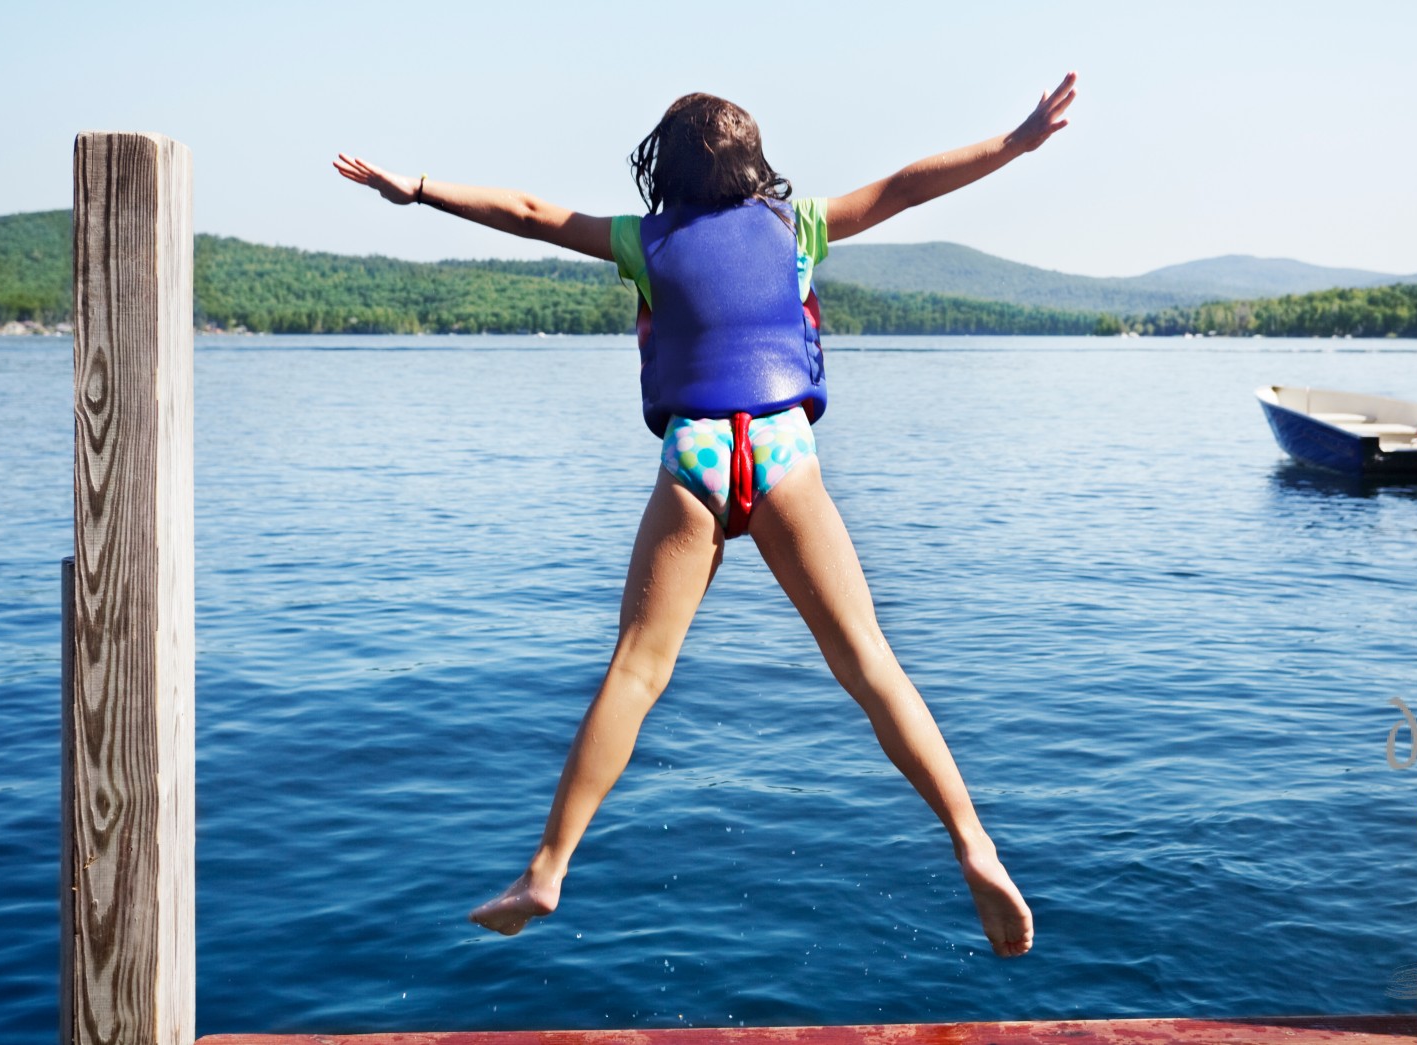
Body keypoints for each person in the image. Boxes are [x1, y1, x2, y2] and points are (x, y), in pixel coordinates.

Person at [332, 72, 1076, 957]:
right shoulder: (799, 227)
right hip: (783, 453)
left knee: (637, 673)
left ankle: (547, 867)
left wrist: (416, 189)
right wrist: (1017, 142)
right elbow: (912, 184)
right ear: (755, 165)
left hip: (696, 459)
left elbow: (528, 211)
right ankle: (973, 843)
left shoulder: (643, 241)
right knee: (870, 662)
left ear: (665, 171)